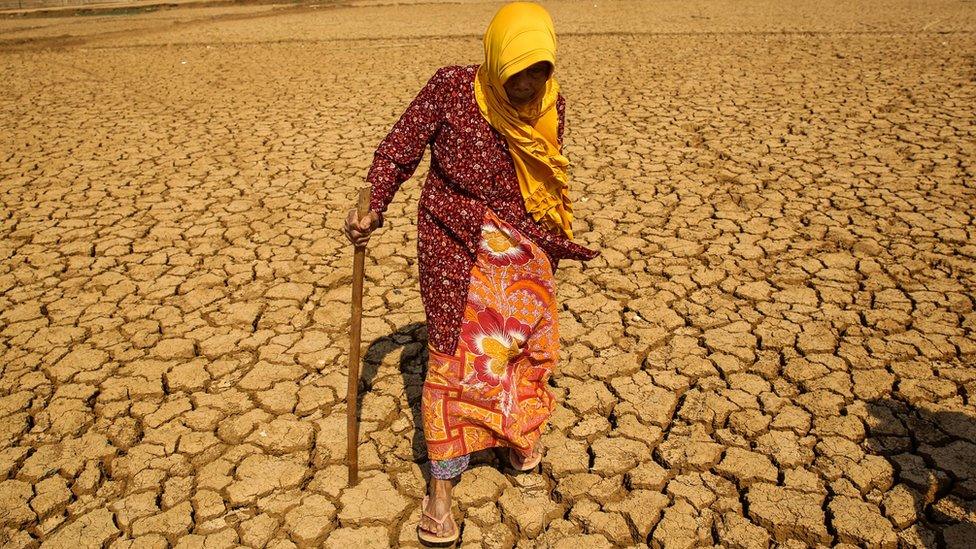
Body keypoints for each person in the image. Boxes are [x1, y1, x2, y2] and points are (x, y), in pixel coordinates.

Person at [344, 2, 598, 544]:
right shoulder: (452, 89)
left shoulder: (552, 104)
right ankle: (441, 492)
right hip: (455, 247)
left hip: (525, 250)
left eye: (540, 69)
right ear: (495, 60)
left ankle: (515, 433)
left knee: (525, 351)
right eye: (518, 71)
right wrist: (373, 207)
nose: (529, 83)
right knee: (453, 361)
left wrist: (542, 243)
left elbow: (543, 178)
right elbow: (398, 151)